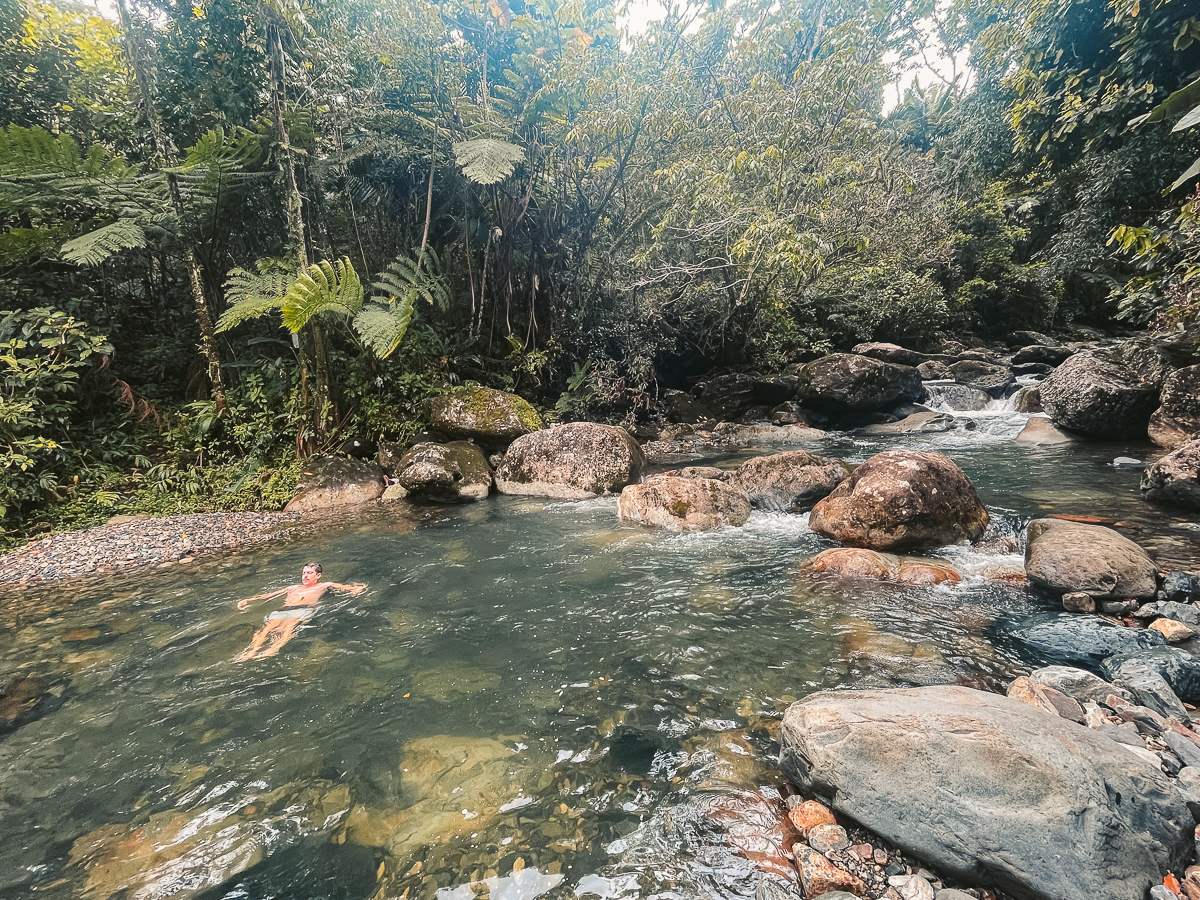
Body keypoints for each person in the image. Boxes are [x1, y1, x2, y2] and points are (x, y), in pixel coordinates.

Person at [234, 563, 365, 661]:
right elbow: (268, 595)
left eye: (309, 573)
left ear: (318, 575)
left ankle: (273, 649)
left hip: (305, 608)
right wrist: (248, 600)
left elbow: (343, 587)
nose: (305, 576)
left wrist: (355, 589)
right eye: (304, 573)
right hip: (286, 609)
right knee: (268, 627)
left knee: (289, 625)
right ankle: (252, 651)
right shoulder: (292, 588)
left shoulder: (323, 585)